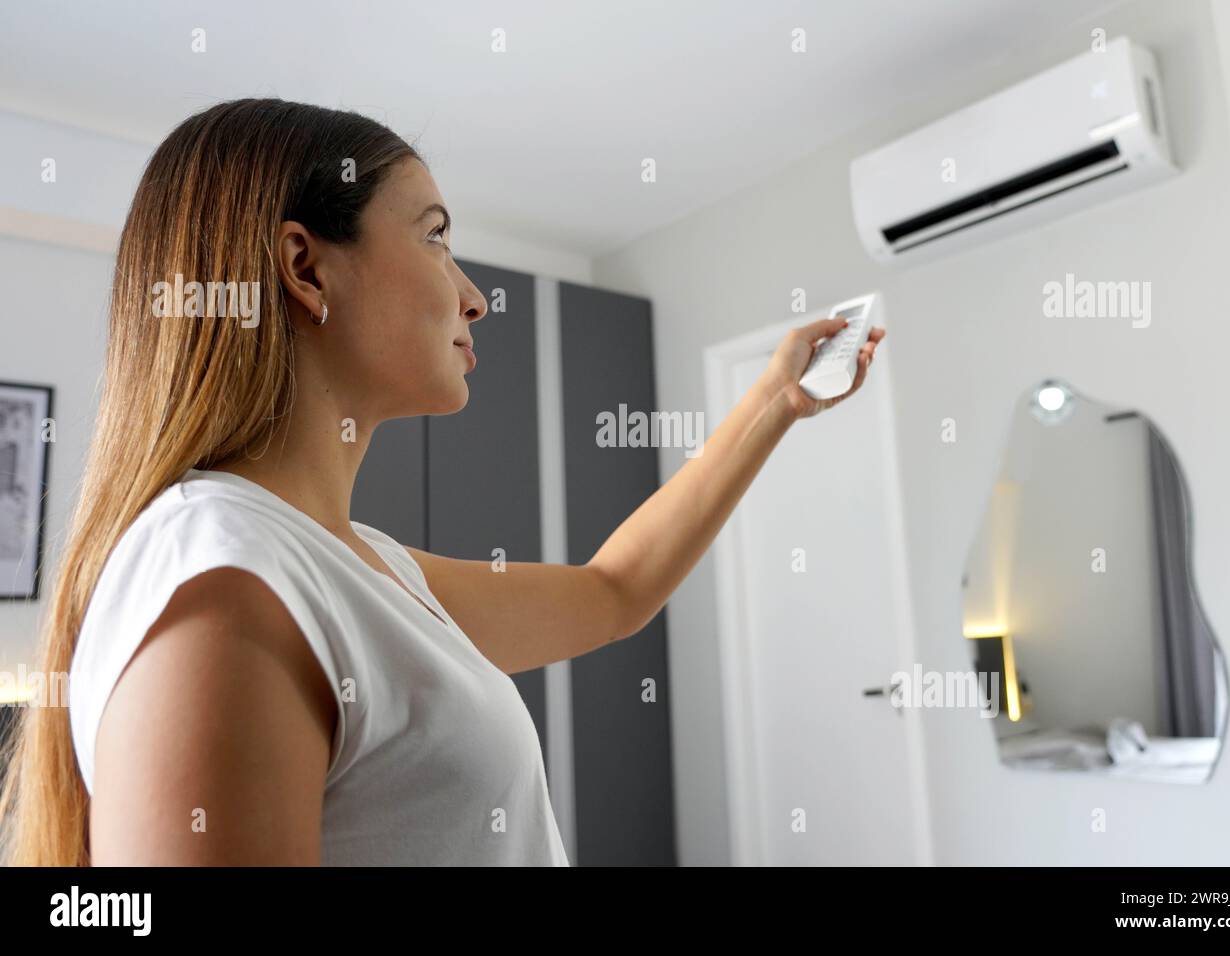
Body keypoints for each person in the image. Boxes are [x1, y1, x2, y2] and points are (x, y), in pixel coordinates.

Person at [0, 98, 884, 866]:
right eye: (434, 237)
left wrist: (774, 400)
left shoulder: (347, 566)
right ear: (305, 268)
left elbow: (614, 594)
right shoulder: (226, 584)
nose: (475, 296)